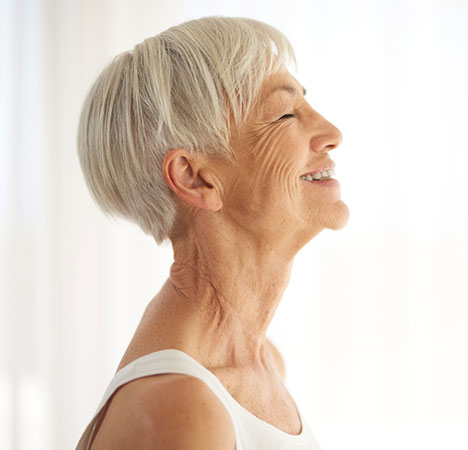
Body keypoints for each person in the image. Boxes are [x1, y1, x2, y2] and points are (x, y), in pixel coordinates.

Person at [75, 16, 347, 449]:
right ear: (195, 178)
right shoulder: (180, 409)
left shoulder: (264, 364)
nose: (333, 134)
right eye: (284, 114)